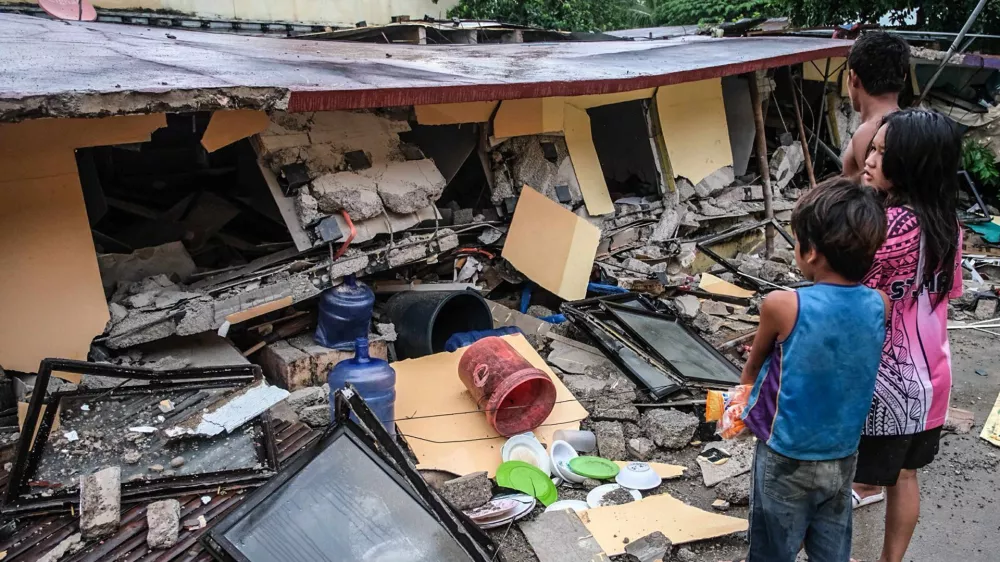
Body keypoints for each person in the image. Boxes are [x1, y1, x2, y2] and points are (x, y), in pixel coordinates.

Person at [740, 178, 890, 562]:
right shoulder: (880, 304)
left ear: (810, 252)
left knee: (774, 546)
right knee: (830, 545)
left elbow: (754, 366)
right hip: (842, 453)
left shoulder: (781, 304)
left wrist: (740, 403)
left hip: (785, 454)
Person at [852, 108, 963, 562]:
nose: (869, 160)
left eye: (882, 153)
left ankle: (831, 552)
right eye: (872, 148)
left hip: (885, 382)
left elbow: (854, 296)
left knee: (840, 475)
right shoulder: (949, 226)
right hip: (932, 377)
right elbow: (946, 293)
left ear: (912, 164)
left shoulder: (886, 226)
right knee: (906, 476)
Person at [842, 31, 910, 179]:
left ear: (853, 78)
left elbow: (873, 199)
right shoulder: (915, 131)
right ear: (904, 77)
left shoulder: (870, 133)